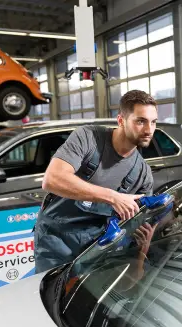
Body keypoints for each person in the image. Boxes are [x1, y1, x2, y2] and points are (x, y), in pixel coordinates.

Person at [33, 90, 157, 273]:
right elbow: (52, 179)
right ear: (121, 120)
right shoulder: (88, 138)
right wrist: (113, 197)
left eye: (153, 122)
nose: (148, 130)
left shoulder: (142, 174)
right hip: (55, 243)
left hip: (95, 250)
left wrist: (142, 242)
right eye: (140, 121)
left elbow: (139, 226)